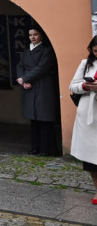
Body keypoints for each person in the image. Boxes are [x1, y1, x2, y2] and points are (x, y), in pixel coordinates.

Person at [17, 26, 60, 156]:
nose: (33, 37)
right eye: (30, 35)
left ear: (41, 35)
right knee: (33, 119)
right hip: (29, 87)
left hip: (43, 86)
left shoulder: (47, 50)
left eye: (35, 34)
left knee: (44, 119)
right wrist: (21, 79)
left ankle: (46, 149)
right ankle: (35, 147)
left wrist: (25, 78)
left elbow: (42, 68)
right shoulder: (26, 51)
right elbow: (20, 66)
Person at [69, 36, 97, 203]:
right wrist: (86, 86)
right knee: (91, 158)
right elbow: (72, 85)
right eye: (95, 51)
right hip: (89, 116)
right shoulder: (86, 64)